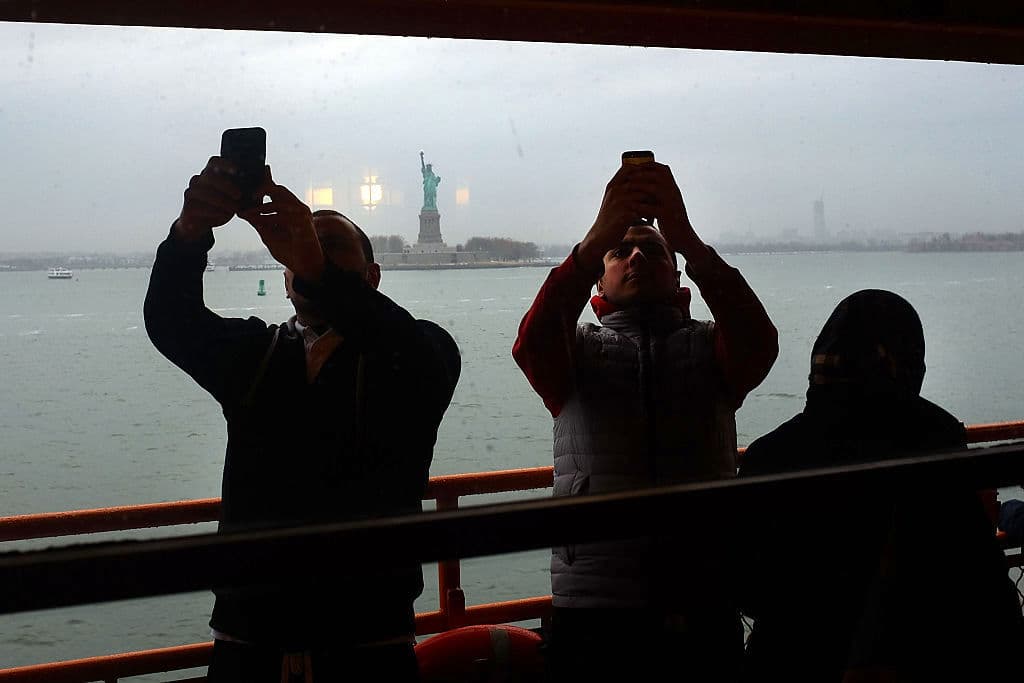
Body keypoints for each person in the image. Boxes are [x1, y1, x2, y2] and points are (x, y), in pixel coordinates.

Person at [145, 156, 460, 682]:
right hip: (248, 643)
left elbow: (405, 349)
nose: (310, 255)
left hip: (370, 644)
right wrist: (190, 230)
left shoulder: (419, 350)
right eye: (299, 249)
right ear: (286, 279)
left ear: (372, 276)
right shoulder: (257, 354)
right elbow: (171, 320)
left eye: (330, 246)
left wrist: (317, 269)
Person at [512, 160, 778, 680]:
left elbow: (759, 344)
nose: (636, 255)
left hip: (703, 589)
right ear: (599, 275)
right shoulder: (576, 349)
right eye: (620, 251)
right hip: (594, 598)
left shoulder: (711, 345)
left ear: (679, 272)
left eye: (654, 250)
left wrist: (689, 240)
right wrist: (592, 241)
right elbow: (534, 344)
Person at [738, 289, 1023, 682]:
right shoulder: (934, 441)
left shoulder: (768, 455)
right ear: (909, 360)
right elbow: (982, 589)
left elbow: (747, 586)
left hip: (790, 659)